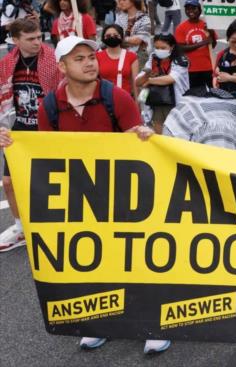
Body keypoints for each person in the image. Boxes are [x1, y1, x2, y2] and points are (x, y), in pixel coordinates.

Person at [0, 36, 165, 354]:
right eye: (79, 58)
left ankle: (152, 323)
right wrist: (15, 144)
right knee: (95, 263)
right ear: (61, 67)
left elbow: (140, 145)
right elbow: (47, 156)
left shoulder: (116, 98)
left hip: (125, 196)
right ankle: (100, 323)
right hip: (82, 199)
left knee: (138, 260)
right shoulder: (49, 106)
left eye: (91, 56)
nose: (90, 62)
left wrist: (146, 136)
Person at [0, 18, 60, 252]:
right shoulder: (7, 64)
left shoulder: (53, 59)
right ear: (16, 41)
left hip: (48, 128)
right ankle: (20, 226)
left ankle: (57, 225)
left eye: (39, 37)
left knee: (52, 180)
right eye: (30, 39)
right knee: (9, 181)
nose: (38, 42)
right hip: (19, 128)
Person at [162, 85, 236, 152]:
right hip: (235, 163)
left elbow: (167, 148)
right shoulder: (233, 104)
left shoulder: (180, 111)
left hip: (198, 167)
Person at [136, 34, 189, 133]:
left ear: (172, 47)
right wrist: (146, 76)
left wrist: (149, 80)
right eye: (156, 47)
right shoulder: (153, 58)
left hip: (174, 100)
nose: (159, 50)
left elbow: (171, 78)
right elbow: (138, 81)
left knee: (174, 130)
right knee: (157, 126)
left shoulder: (180, 60)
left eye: (163, 48)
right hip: (155, 100)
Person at [174, 0, 216, 89]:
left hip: (208, 67)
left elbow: (213, 45)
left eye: (194, 8)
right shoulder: (181, 28)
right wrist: (202, 43)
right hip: (191, 69)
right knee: (195, 95)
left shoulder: (207, 25)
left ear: (200, 10)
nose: (190, 11)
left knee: (212, 93)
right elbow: (181, 48)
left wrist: (211, 32)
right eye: (187, 9)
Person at [96, 24, 139, 98]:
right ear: (103, 38)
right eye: (108, 35)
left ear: (121, 37)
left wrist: (137, 104)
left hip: (125, 99)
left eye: (115, 35)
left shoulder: (131, 56)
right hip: (104, 99)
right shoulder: (97, 56)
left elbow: (135, 84)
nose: (112, 37)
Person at [114, 0, 152, 67]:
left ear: (133, 1)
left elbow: (137, 41)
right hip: (123, 54)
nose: (121, 2)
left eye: (124, 0)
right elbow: (114, 35)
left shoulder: (144, 18)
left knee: (137, 78)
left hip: (139, 55)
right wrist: (124, 39)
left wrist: (120, 39)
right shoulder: (120, 17)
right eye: (120, 0)